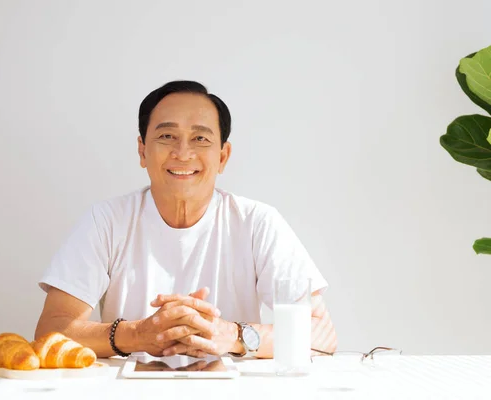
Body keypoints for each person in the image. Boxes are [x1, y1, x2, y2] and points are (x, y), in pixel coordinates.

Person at [35, 80, 337, 359]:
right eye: (167, 136)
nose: (183, 152)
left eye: (200, 138)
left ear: (222, 156)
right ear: (142, 150)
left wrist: (234, 335)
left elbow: (321, 335)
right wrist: (138, 334)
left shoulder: (258, 222)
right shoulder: (106, 221)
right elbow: (51, 332)